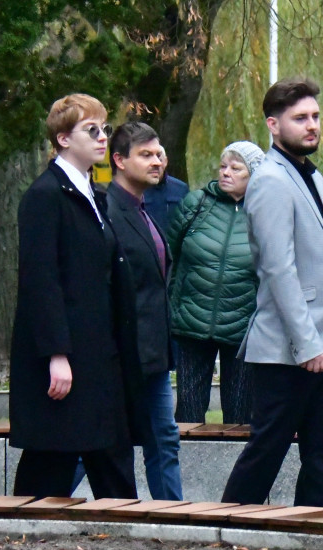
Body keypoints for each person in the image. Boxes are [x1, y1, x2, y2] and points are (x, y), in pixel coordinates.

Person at [220, 77, 323, 508]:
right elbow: (279, 268)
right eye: (300, 119)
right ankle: (223, 525)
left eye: (314, 116)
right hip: (288, 349)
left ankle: (320, 533)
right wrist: (307, 343)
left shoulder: (312, 177)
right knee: (267, 450)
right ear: (273, 125)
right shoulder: (270, 180)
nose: (312, 126)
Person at [9, 94, 139, 499]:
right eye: (92, 130)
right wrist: (56, 354)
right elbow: (40, 280)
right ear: (64, 139)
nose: (103, 139)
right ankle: (21, 533)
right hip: (69, 355)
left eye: (105, 129)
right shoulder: (46, 195)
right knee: (51, 457)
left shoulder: (93, 193)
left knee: (110, 454)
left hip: (101, 352)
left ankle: (126, 535)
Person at [106, 122, 183, 501]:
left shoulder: (143, 210)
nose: (157, 162)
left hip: (153, 354)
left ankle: (175, 517)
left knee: (164, 439)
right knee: (101, 442)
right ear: (119, 160)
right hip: (124, 355)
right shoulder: (108, 211)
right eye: (146, 155)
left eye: (159, 154)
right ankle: (38, 505)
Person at [168, 141, 264, 424]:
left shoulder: (263, 212)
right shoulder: (195, 204)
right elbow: (169, 256)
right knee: (188, 412)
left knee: (239, 415)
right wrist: (174, 302)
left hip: (242, 327)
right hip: (191, 322)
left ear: (254, 175)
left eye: (236, 168)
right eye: (223, 166)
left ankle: (236, 468)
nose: (226, 173)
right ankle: (187, 467)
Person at [143, 146, 190, 235]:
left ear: (166, 162)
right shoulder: (139, 188)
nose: (156, 164)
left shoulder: (180, 189)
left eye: (160, 159)